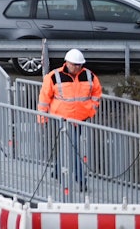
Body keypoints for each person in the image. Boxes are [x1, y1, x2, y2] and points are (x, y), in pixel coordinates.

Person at [37, 48, 102, 189]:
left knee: (69, 146)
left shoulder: (89, 75)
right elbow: (44, 97)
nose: (77, 67)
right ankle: (80, 179)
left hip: (80, 119)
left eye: (79, 65)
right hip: (62, 118)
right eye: (74, 64)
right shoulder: (54, 76)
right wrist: (42, 117)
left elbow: (96, 93)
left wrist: (91, 109)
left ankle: (57, 172)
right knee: (74, 147)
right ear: (66, 63)